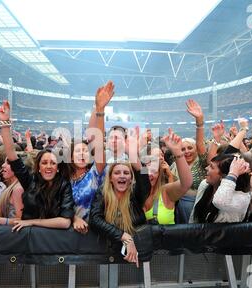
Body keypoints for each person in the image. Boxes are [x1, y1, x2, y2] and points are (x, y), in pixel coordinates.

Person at [0, 101, 75, 231]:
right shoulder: (29, 181)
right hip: (28, 239)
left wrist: (31, 222)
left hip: (52, 242)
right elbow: (11, 154)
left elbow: (65, 222)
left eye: (53, 163)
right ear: (38, 167)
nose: (49, 166)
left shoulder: (64, 185)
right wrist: (5, 124)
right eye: (44, 163)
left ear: (58, 168)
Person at [89, 129, 150, 267]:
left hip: (135, 259)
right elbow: (95, 219)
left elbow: (145, 180)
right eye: (117, 173)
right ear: (110, 178)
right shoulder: (102, 192)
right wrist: (125, 237)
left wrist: (133, 155)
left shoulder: (135, 194)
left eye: (126, 173)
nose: (122, 176)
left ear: (130, 179)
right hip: (105, 256)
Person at [70, 82, 113, 234]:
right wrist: (73, 219)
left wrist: (100, 109)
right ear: (70, 157)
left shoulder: (95, 173)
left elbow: (98, 142)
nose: (82, 154)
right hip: (65, 235)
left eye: (85, 151)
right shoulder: (62, 178)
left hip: (95, 234)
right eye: (78, 151)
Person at [189, 154, 252, 223]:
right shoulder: (205, 184)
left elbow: (219, 201)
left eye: (211, 167)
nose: (206, 168)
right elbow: (194, 216)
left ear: (223, 176)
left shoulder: (242, 197)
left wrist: (233, 173)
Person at [170, 100, 211, 223]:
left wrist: (199, 122)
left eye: (189, 148)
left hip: (199, 205)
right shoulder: (175, 164)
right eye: (183, 149)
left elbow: (199, 144)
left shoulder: (202, 163)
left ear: (196, 150)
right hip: (179, 206)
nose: (186, 151)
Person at [143, 129, 193, 225]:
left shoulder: (165, 191)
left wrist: (178, 152)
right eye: (146, 170)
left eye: (154, 170)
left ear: (159, 173)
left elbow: (186, 183)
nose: (150, 174)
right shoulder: (133, 194)